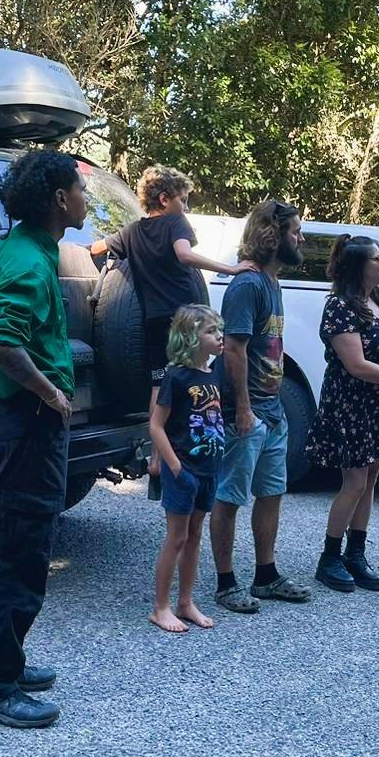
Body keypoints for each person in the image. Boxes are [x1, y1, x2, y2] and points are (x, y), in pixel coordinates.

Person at [0, 149, 86, 728]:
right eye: (80, 189)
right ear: (59, 199)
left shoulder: (19, 247)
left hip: (15, 423)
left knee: (9, 543)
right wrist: (49, 393)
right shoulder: (29, 263)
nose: (86, 199)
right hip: (28, 423)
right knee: (22, 551)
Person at [209, 199, 313, 613]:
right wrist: (243, 409)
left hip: (271, 407)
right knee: (230, 496)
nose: (301, 238)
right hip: (245, 411)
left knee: (271, 492)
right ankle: (225, 583)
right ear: (273, 234)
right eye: (295, 232)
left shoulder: (272, 283)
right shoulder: (248, 285)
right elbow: (233, 349)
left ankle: (266, 576)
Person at [305, 236, 379, 593]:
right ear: (357, 266)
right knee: (353, 482)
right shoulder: (340, 306)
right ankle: (330, 557)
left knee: (370, 480)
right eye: (375, 259)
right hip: (351, 404)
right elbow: (356, 365)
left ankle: (356, 553)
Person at [89, 164, 247, 408]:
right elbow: (184, 255)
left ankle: (156, 443)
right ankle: (194, 433)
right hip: (185, 317)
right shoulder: (176, 223)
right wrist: (230, 269)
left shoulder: (131, 232)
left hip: (154, 320)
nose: (185, 208)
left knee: (159, 382)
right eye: (183, 201)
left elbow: (97, 248)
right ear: (164, 199)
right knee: (195, 374)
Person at [148, 305, 227, 633]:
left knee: (194, 536)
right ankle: (160, 607)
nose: (219, 336)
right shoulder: (175, 376)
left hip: (208, 469)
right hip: (184, 469)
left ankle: (185, 601)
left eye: (218, 330)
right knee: (176, 537)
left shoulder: (213, 372)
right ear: (190, 338)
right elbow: (156, 425)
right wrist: (175, 466)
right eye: (211, 331)